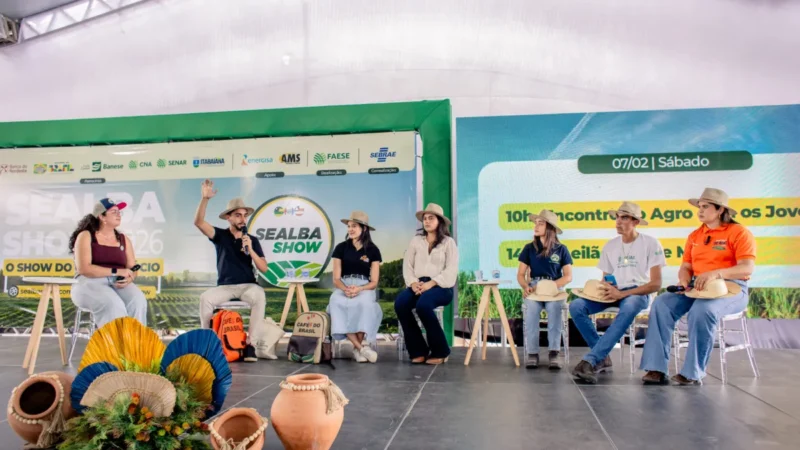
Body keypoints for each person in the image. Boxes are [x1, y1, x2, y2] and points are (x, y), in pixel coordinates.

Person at [640, 188, 755, 385]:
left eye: (705, 207)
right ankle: (656, 368)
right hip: (698, 287)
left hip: (731, 288)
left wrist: (716, 273)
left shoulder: (739, 232)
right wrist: (684, 280)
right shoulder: (695, 236)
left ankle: (692, 372)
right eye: (699, 207)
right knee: (662, 303)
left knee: (702, 310)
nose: (700, 211)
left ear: (720, 210)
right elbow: (686, 266)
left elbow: (747, 267)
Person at [570, 201, 666, 384]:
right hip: (614, 292)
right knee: (576, 306)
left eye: (624, 217)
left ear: (636, 221)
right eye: (617, 217)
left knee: (629, 306)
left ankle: (591, 360)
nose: (618, 221)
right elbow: (606, 278)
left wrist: (623, 294)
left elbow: (656, 284)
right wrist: (604, 289)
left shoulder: (651, 243)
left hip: (638, 293)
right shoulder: (610, 246)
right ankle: (602, 358)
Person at [194, 179, 266, 362]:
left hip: (248, 286)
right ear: (229, 217)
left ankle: (250, 345)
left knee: (259, 296)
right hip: (225, 286)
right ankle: (209, 344)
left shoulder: (252, 239)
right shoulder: (220, 235)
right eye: (238, 215)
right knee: (205, 298)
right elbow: (199, 222)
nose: (242, 219)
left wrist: (251, 251)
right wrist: (205, 199)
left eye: (244, 215)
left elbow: (263, 268)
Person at [395, 203, 459, 365]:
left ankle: (441, 351)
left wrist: (431, 283)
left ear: (439, 221)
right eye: (425, 219)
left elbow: (451, 270)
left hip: (441, 287)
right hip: (418, 284)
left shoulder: (448, 242)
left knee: (423, 305)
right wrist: (413, 283)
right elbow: (407, 266)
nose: (427, 221)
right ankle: (418, 351)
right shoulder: (416, 241)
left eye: (431, 218)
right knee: (401, 303)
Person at [69, 198, 147, 328]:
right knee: (113, 305)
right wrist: (116, 271)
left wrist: (130, 277)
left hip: (117, 282)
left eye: (119, 212)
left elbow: (132, 267)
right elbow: (84, 269)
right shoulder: (86, 236)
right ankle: (114, 347)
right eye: (114, 212)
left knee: (138, 300)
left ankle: (135, 345)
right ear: (101, 216)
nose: (118, 214)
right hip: (88, 282)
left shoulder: (123, 239)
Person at [517, 209, 573, 370]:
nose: (536, 226)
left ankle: (554, 352)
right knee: (532, 314)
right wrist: (526, 286)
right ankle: (532, 353)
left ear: (550, 228)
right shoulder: (529, 248)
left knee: (555, 311)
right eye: (535, 223)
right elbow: (521, 274)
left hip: (554, 287)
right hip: (535, 287)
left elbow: (568, 276)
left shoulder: (561, 249)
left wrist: (551, 286)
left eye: (540, 223)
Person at [327, 211, 383, 363]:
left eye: (354, 226)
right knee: (335, 302)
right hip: (343, 285)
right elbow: (336, 279)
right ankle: (361, 348)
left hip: (364, 287)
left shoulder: (373, 250)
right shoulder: (341, 248)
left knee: (364, 303)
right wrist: (345, 289)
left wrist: (359, 289)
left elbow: (374, 282)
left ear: (364, 229)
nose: (350, 229)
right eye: (349, 226)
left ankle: (357, 349)